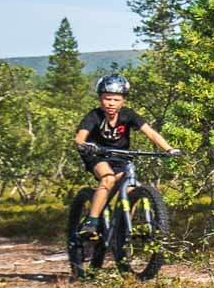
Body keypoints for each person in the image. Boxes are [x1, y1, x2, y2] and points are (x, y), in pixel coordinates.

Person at [73, 75, 176, 237]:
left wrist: (169, 149)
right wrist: (84, 145)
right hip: (97, 155)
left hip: (121, 157)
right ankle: (91, 221)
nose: (111, 103)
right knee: (108, 179)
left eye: (116, 99)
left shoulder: (128, 115)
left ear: (123, 101)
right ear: (100, 99)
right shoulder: (94, 116)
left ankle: (122, 229)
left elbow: (150, 133)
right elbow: (80, 137)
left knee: (130, 189)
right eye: (107, 99)